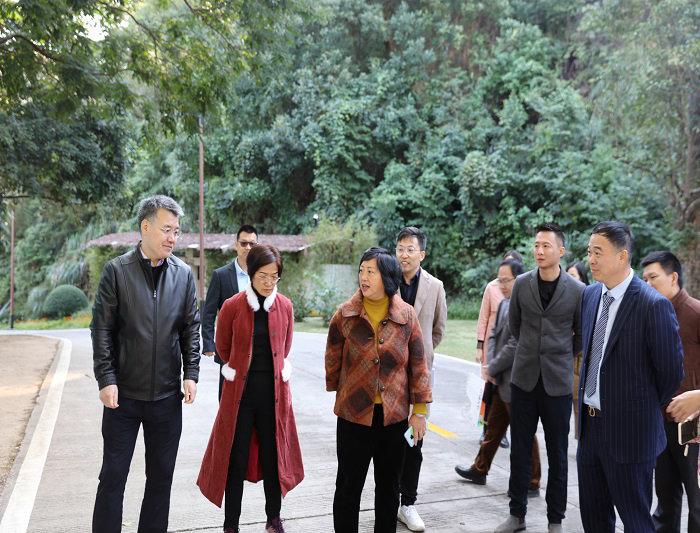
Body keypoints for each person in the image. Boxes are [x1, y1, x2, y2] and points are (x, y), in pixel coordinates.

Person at [91, 195, 201, 533]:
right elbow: (101, 329)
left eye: (176, 231)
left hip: (167, 399)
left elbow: (190, 327)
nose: (172, 238)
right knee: (113, 477)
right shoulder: (117, 271)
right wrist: (106, 378)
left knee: (160, 480)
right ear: (145, 227)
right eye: (167, 229)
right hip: (123, 398)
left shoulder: (183, 275)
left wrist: (191, 372)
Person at [577, 222, 684, 532]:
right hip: (589, 430)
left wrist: (637, 407)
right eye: (589, 252)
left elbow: (670, 375)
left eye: (598, 253)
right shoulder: (590, 295)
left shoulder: (653, 304)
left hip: (631, 435)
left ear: (622, 256)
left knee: (636, 521)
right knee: (594, 520)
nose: (591, 260)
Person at [325, 247, 432, 533]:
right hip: (353, 415)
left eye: (371, 272)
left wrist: (419, 411)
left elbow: (418, 365)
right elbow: (333, 355)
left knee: (388, 487)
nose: (364, 277)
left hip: (393, 418)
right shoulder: (345, 314)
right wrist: (341, 388)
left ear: (387, 276)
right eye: (361, 270)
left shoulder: (406, 315)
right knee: (348, 486)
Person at [197, 244, 303, 533]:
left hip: (273, 397)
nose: (269, 282)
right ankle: (231, 524)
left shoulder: (285, 306)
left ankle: (273, 519)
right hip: (240, 398)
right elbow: (223, 347)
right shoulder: (232, 306)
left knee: (273, 459)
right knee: (236, 460)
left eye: (274, 276)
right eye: (263, 276)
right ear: (251, 273)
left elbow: (285, 348)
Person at [495, 223, 584, 533]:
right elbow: (515, 326)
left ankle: (555, 520)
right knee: (519, 450)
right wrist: (533, 350)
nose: (540, 251)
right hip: (524, 379)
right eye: (536, 245)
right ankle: (516, 515)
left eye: (546, 245)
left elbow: (580, 336)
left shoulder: (578, 291)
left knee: (558, 455)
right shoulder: (522, 284)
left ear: (561, 251)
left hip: (558, 383)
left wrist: (557, 354)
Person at [455, 259, 542, 496]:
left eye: (506, 280)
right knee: (493, 428)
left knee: (524, 432)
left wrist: (493, 366)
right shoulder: (504, 304)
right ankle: (479, 469)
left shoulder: (527, 305)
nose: (501, 285)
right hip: (501, 379)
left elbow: (515, 344)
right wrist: (490, 362)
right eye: (499, 280)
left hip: (518, 380)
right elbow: (493, 334)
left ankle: (533, 482)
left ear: (519, 279)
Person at [641, 250, 700, 532]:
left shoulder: (695, 313)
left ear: (673, 277)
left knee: (697, 501)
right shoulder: (650, 316)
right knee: (665, 499)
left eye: (653, 277)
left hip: (693, 424)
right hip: (660, 422)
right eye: (644, 279)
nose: (647, 284)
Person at [394, 227, 447, 532]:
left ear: (422, 254)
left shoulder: (435, 286)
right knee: (389, 441)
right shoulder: (386, 281)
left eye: (410, 249)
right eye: (400, 248)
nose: (404, 254)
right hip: (388, 375)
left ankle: (408, 503)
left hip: (420, 376)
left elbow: (437, 330)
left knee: (414, 440)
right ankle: (389, 498)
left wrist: (419, 355)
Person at [202, 225, 258, 400]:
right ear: (236, 245)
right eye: (244, 243)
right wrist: (209, 344)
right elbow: (209, 313)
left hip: (257, 350)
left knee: (254, 399)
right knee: (228, 399)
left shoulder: (263, 275)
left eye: (252, 244)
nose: (248, 247)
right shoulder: (220, 275)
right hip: (229, 350)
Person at [476, 249, 523, 448]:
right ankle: (484, 430)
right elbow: (484, 319)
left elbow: (515, 340)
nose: (502, 282)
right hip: (492, 351)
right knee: (489, 394)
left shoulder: (522, 297)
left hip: (510, 359)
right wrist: (481, 347)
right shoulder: (492, 288)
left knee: (506, 400)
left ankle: (500, 435)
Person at [566, 261, 590, 439]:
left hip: (581, 359)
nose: (569, 280)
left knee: (579, 406)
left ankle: (581, 440)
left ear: (582, 278)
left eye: (573, 276)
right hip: (566, 359)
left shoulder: (589, 298)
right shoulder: (563, 298)